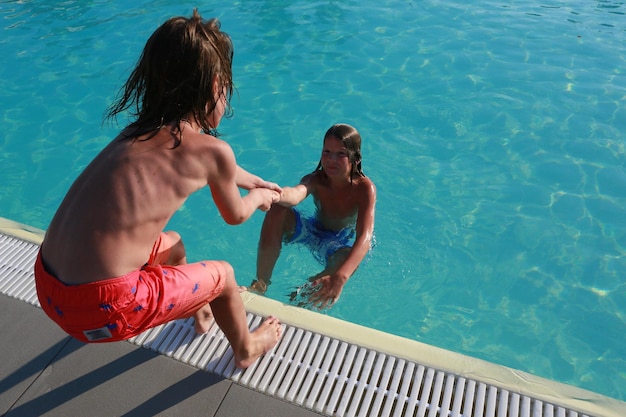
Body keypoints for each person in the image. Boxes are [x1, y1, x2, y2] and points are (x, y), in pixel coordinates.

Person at [33, 10, 283, 369]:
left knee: (175, 243)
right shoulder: (214, 153)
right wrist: (262, 196)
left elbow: (214, 165)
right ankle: (245, 348)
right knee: (225, 275)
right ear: (215, 85)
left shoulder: (134, 134)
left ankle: (198, 313)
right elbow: (235, 215)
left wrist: (250, 180)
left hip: (48, 288)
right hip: (102, 311)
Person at [248, 123, 376, 310]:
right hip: (312, 230)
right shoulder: (316, 179)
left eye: (341, 154)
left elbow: (365, 237)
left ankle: (298, 301)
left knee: (346, 258)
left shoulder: (364, 189)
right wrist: (275, 194)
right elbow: (295, 194)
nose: (331, 159)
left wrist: (341, 276)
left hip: (337, 243)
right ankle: (260, 284)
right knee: (277, 209)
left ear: (355, 158)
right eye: (327, 152)